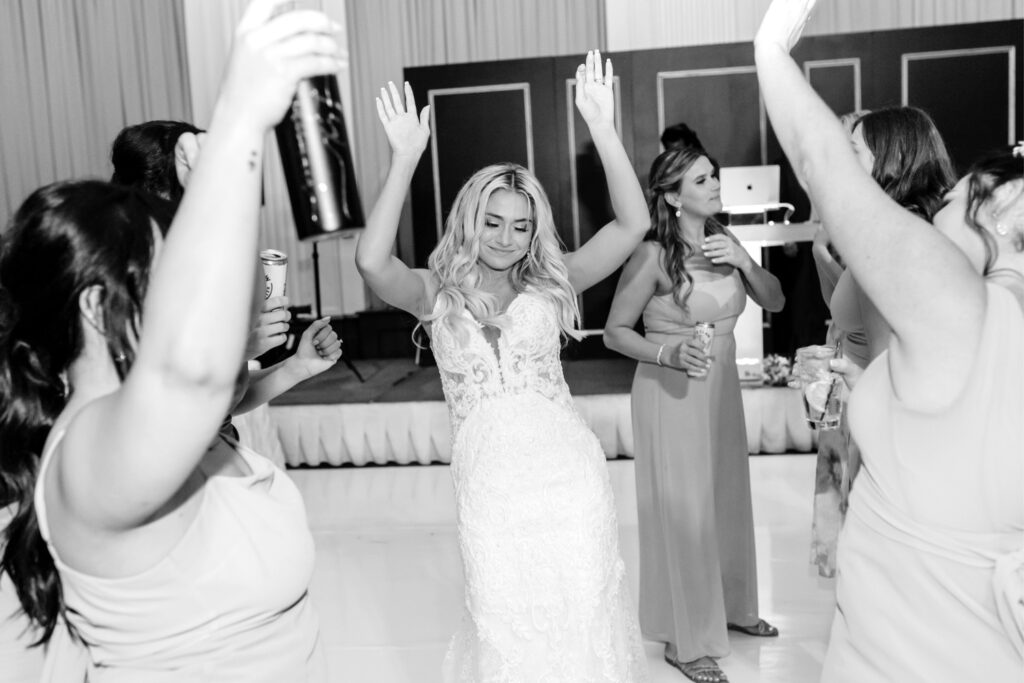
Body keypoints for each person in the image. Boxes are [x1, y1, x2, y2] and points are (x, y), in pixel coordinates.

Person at [0, 1, 342, 679]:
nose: (190, 290)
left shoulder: (165, 430)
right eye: (167, 272)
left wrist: (295, 365)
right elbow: (197, 374)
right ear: (100, 307)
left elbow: (213, 381)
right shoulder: (87, 454)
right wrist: (239, 122)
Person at [356, 51, 650, 681]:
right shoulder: (434, 291)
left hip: (569, 476)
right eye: (492, 221)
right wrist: (404, 157)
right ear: (470, 218)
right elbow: (372, 263)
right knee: (503, 622)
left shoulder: (552, 282)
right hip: (490, 488)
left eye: (521, 225)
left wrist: (602, 129)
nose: (506, 236)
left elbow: (633, 224)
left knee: (583, 612)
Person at [755, 0, 1024, 680]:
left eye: (961, 198)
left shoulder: (964, 310)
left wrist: (768, 46)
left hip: (911, 645)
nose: (939, 216)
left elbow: (820, 162)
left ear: (1006, 209)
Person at [603, 144, 785, 683]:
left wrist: (746, 262)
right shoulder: (651, 256)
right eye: (701, 180)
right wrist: (667, 353)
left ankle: (731, 608)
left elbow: (773, 301)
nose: (714, 184)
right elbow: (615, 333)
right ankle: (686, 638)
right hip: (671, 388)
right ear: (672, 196)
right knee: (685, 513)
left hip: (721, 386)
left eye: (713, 176)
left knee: (725, 499)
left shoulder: (724, 241)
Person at [110, 118, 343, 433]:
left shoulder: (196, 269)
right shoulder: (125, 284)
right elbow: (165, 413)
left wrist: (296, 367)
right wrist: (241, 349)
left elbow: (221, 403)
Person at [806, 106, 956, 578]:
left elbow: (899, 375)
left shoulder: (889, 244)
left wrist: (841, 371)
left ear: (891, 160)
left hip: (888, 434)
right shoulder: (912, 229)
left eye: (853, 152)